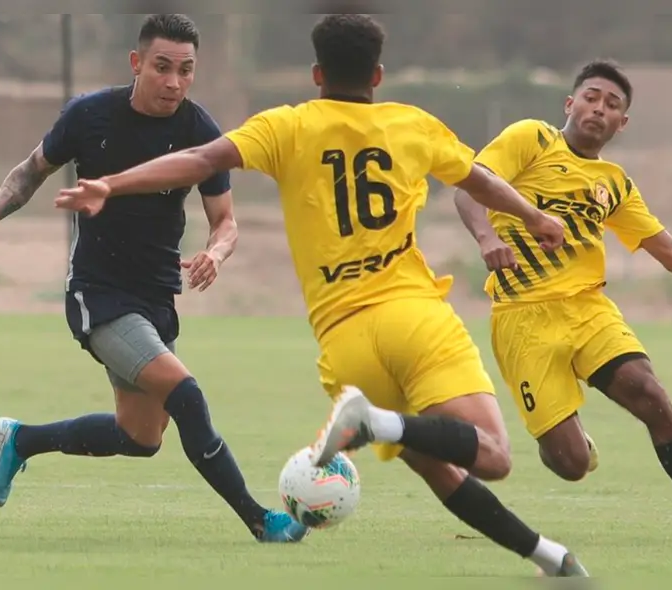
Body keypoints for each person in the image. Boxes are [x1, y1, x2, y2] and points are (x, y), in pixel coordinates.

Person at [54, 14, 589, 578]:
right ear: (377, 76)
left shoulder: (287, 127)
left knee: (434, 462)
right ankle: (379, 425)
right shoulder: (412, 124)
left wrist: (111, 182)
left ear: (316, 74)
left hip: (345, 343)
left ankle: (548, 558)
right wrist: (534, 217)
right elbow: (480, 181)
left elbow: (200, 160)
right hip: (414, 317)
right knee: (492, 455)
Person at [0, 14, 308, 544]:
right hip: (99, 294)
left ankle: (21, 440)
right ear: (137, 63)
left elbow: (225, 221)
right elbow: (30, 171)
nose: (174, 82)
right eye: (162, 67)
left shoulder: (200, 132)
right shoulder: (89, 115)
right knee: (187, 395)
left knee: (141, 438)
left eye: (185, 70)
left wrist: (216, 252)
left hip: (156, 295)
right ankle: (260, 520)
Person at [452, 59, 672, 544]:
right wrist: (487, 239)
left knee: (650, 393)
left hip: (588, 309)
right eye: (591, 97)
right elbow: (470, 186)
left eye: (612, 105)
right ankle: (568, 437)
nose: (599, 109)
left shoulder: (614, 183)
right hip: (523, 319)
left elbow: (671, 252)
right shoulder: (532, 139)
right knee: (570, 463)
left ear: (622, 123)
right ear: (570, 103)